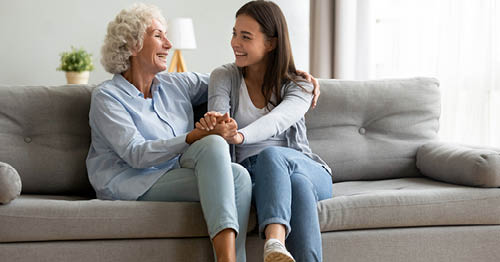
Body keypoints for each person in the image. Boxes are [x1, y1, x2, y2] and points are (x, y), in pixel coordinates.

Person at [85, 3, 252, 262]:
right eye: (158, 35)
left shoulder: (177, 84)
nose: (169, 43)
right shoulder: (107, 97)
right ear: (132, 45)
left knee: (239, 175)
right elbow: (135, 154)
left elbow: (227, 78)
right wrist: (191, 137)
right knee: (216, 149)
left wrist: (289, 75)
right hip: (131, 181)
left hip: (173, 173)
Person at [198, 1, 333, 262]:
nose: (235, 42)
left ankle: (274, 241)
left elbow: (278, 120)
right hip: (257, 176)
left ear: (271, 43)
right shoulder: (224, 77)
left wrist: (239, 136)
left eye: (245, 36)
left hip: (307, 168)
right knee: (298, 188)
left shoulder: (300, 85)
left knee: (276, 157)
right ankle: (278, 251)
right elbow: (219, 120)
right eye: (234, 33)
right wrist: (219, 127)